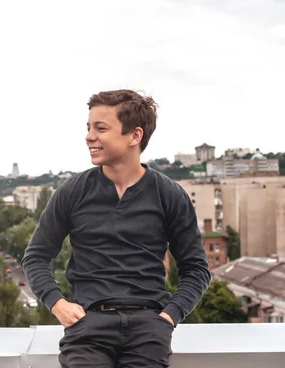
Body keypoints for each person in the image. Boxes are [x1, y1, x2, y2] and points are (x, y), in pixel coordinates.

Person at [21, 89, 211, 367]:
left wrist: (170, 315)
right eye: (88, 127)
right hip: (89, 325)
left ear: (135, 136)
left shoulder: (169, 194)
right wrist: (57, 304)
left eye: (101, 128)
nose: (89, 136)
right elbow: (35, 257)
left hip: (149, 328)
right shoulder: (73, 191)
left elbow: (196, 268)